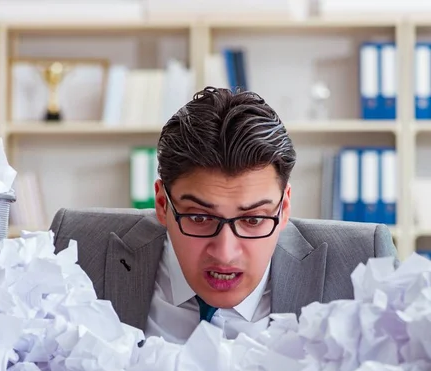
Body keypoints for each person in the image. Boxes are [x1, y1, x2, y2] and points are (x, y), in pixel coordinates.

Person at [49, 87, 398, 343]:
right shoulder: (77, 250)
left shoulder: (362, 264)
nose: (225, 252)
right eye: (200, 218)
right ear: (161, 203)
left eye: (254, 219)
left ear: (285, 206)